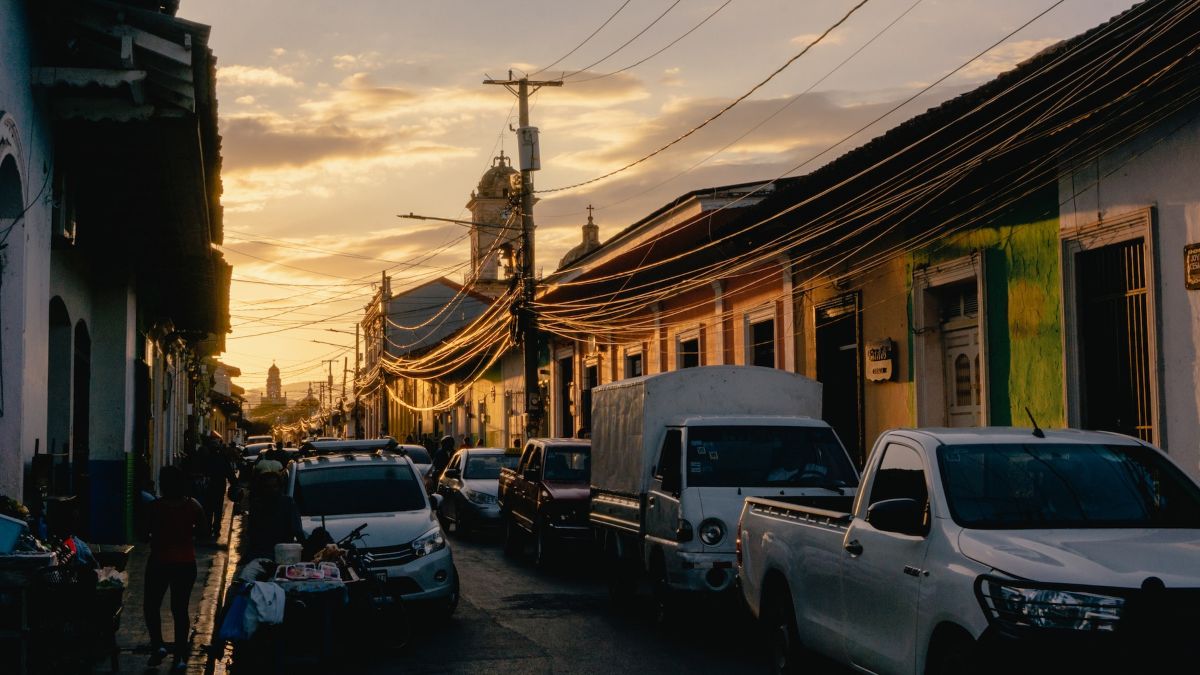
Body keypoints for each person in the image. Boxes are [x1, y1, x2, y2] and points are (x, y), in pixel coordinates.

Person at [144, 465, 206, 671]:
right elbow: (204, 530)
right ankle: (180, 656)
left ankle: (157, 646)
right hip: (185, 564)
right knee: (180, 610)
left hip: (159, 562)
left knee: (151, 606)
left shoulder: (155, 507)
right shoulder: (193, 505)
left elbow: (145, 533)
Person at [243, 471, 304, 560]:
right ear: (262, 489)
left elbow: (297, 531)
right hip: (260, 556)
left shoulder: (288, 503)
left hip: (283, 555)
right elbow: (251, 533)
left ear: (279, 488)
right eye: (267, 487)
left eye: (274, 486)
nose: (271, 490)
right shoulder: (256, 505)